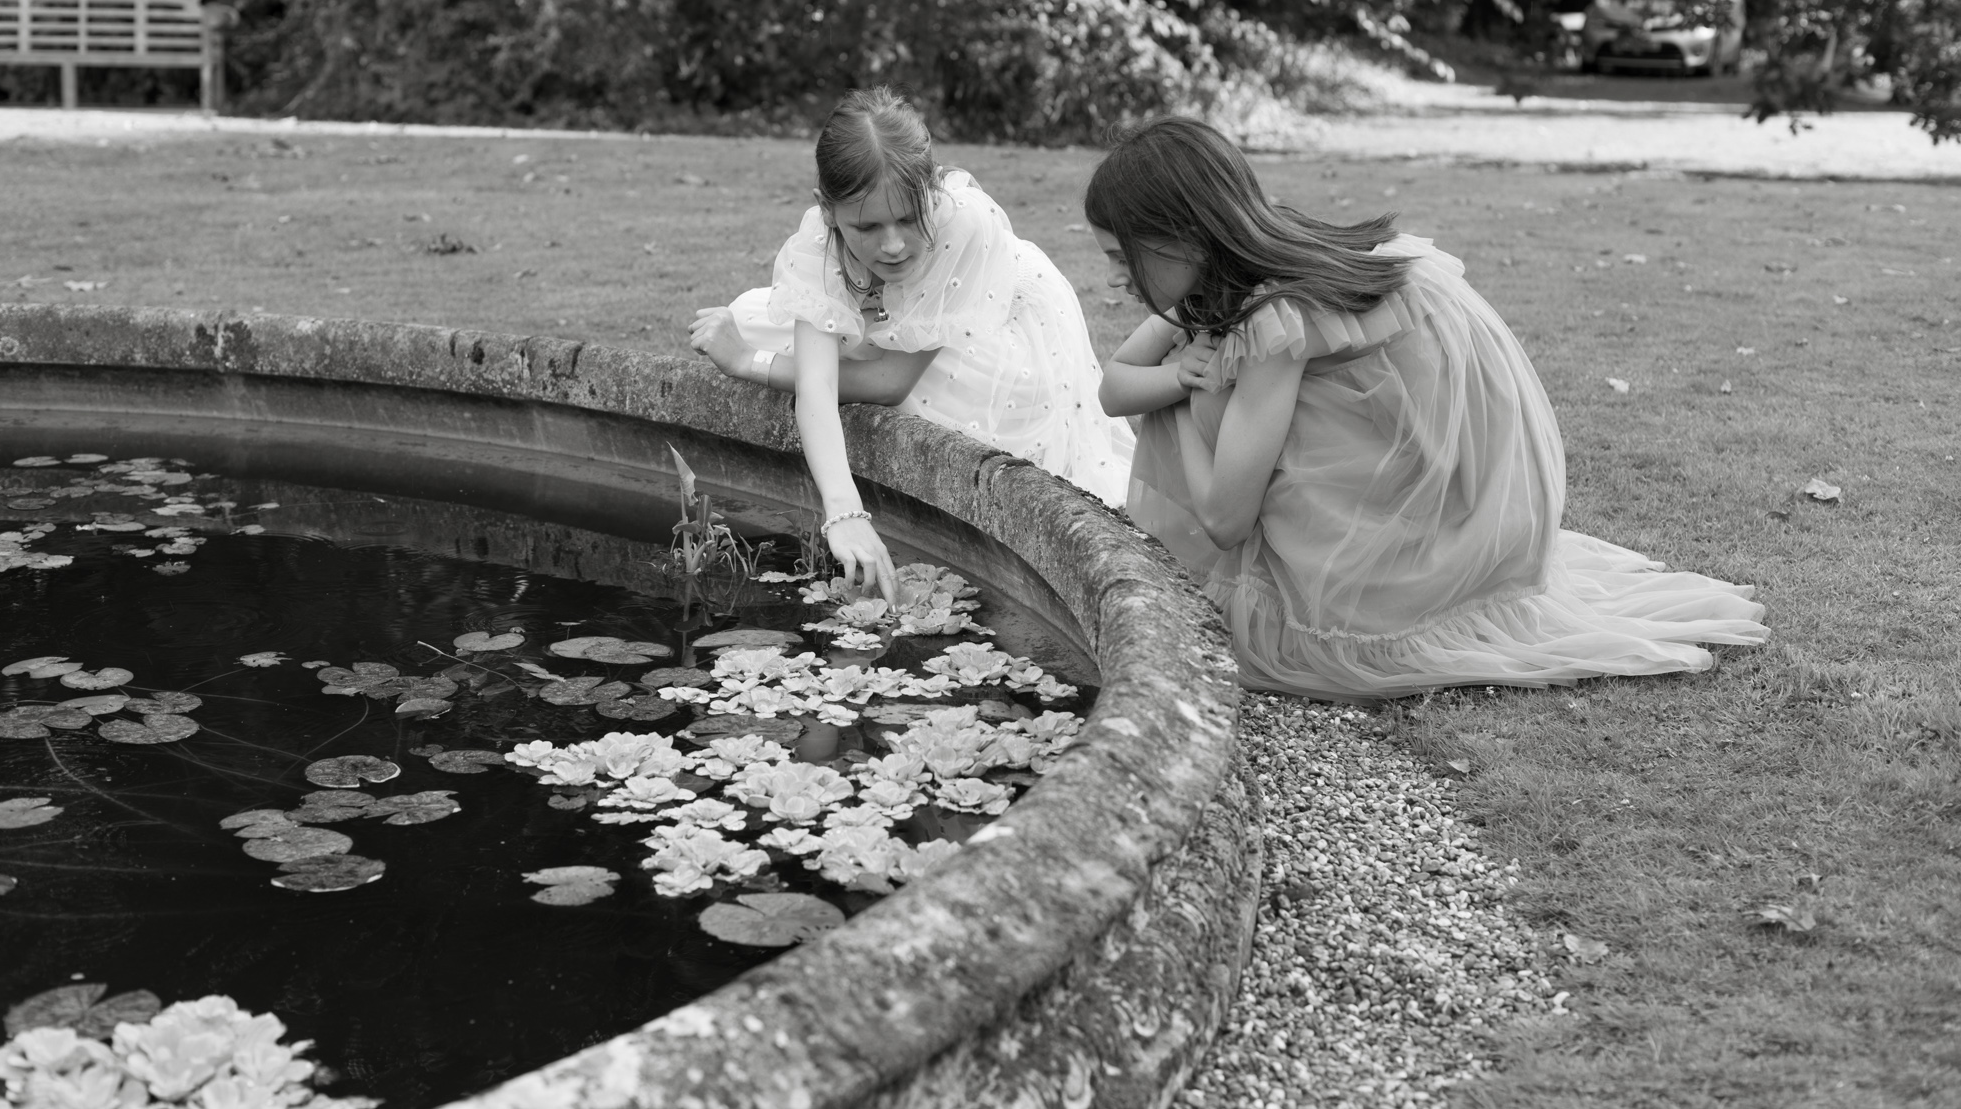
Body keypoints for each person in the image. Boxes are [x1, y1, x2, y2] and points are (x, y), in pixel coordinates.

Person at [1086, 116, 1768, 700]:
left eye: (1124, 258)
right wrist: (1179, 377)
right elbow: (1114, 387)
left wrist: (1191, 396)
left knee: (1185, 408)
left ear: (1180, 237)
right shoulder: (1243, 271)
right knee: (1169, 395)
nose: (1117, 279)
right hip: (1418, 488)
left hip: (1391, 530)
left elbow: (1224, 520)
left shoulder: (1272, 319)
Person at [690, 86, 1134, 602]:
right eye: (868, 227)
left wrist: (747, 362)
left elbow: (887, 382)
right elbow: (816, 385)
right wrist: (844, 509)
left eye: (907, 217)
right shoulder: (820, 237)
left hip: (995, 330)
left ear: (933, 192)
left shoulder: (963, 225)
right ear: (828, 211)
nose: (894, 244)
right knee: (750, 313)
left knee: (923, 399)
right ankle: (854, 329)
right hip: (895, 320)